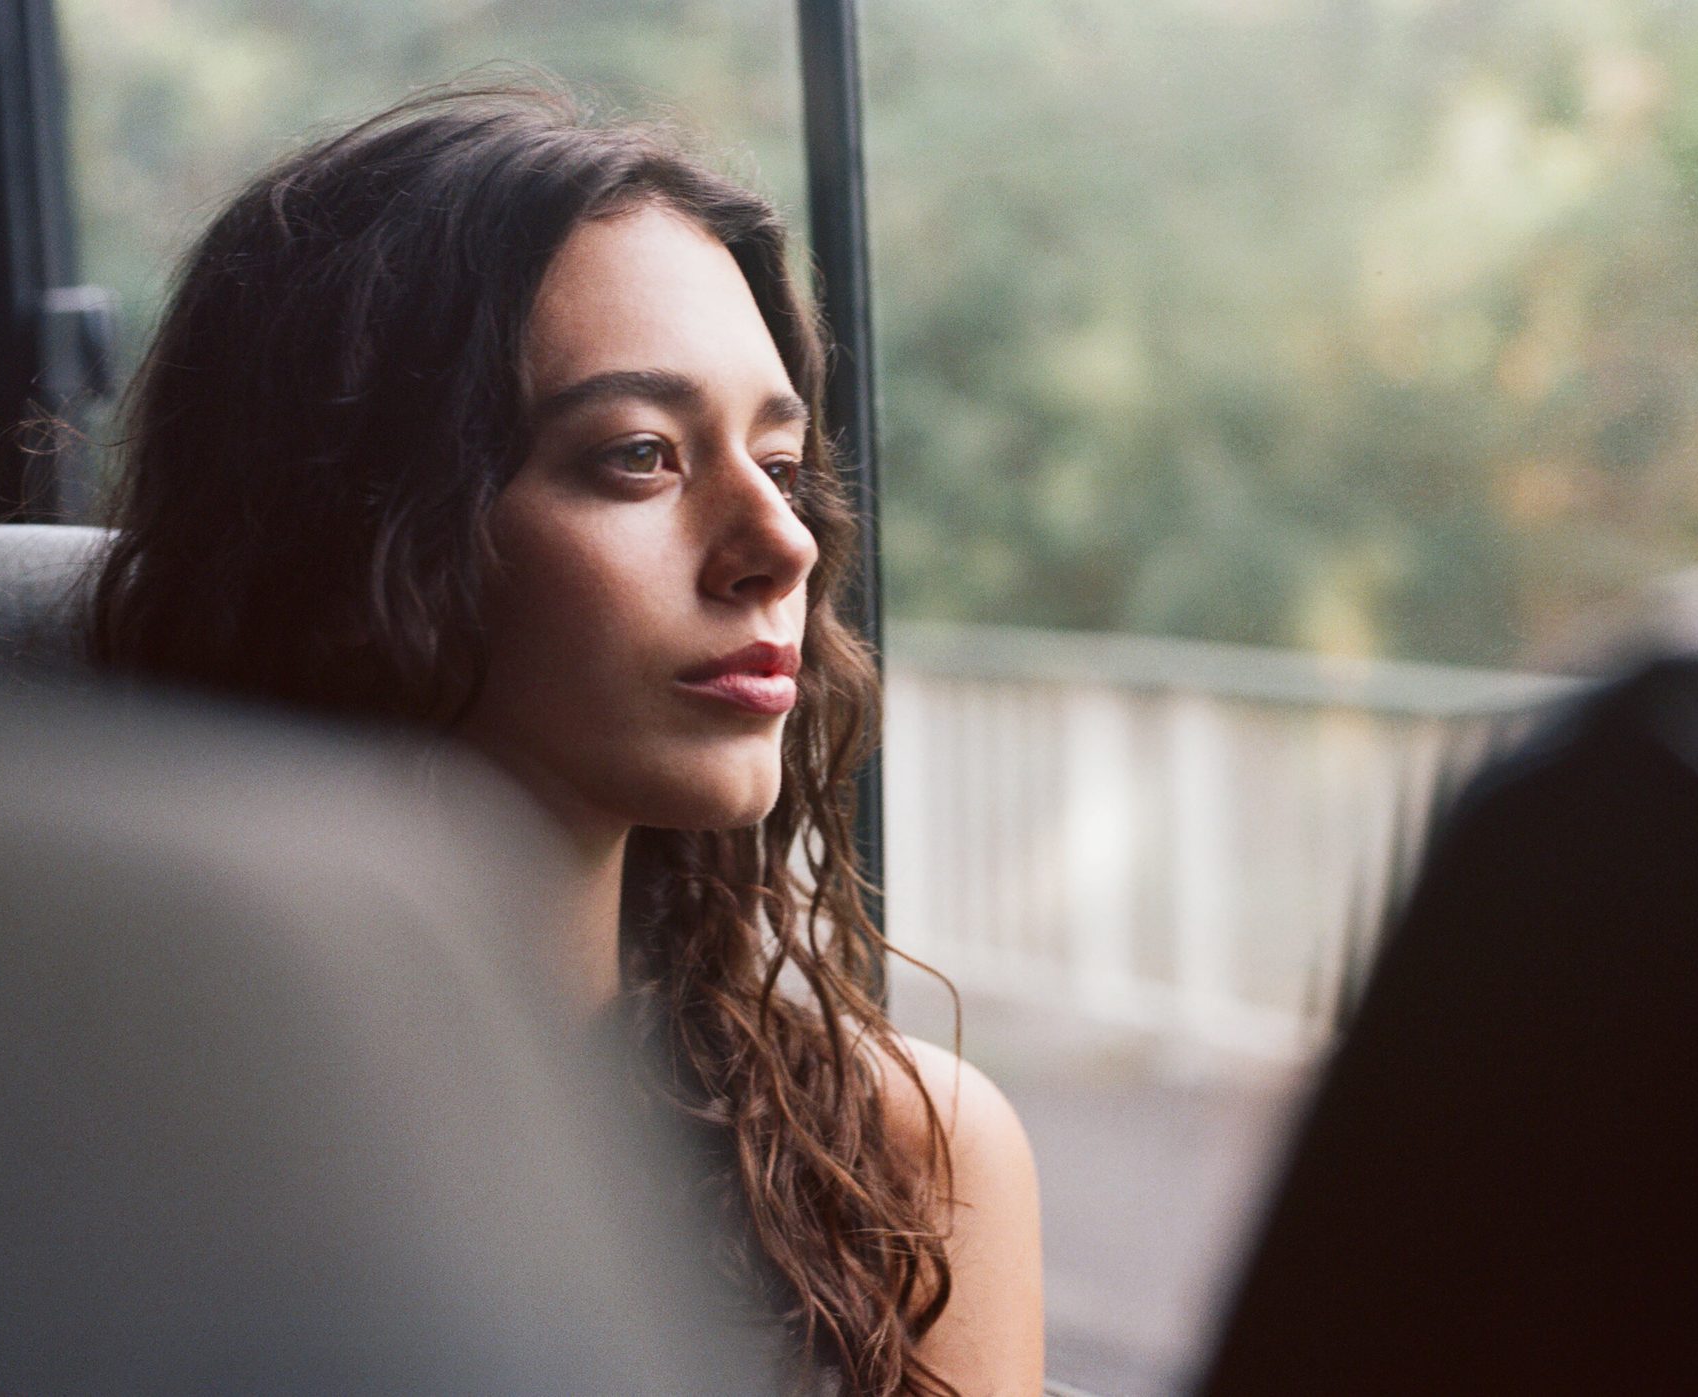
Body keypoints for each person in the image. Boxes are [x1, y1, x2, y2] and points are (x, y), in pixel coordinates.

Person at [84, 83, 1043, 1396]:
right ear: (363, 530)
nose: (784, 544)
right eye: (640, 455)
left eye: (780, 458)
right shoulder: (65, 1172)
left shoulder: (903, 1159)